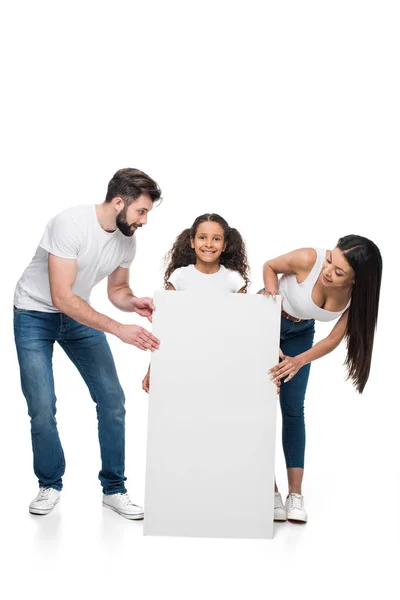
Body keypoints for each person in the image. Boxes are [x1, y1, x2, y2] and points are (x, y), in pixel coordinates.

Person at [14, 168, 162, 519]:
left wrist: (134, 302)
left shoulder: (127, 239)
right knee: (42, 405)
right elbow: (61, 297)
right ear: (119, 201)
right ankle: (49, 484)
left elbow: (117, 290)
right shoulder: (70, 224)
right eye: (141, 211)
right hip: (35, 313)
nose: (144, 221)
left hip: (78, 316)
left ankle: (114, 489)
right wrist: (118, 328)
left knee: (112, 400)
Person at [260, 236, 382, 523]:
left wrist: (299, 360)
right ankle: (269, 492)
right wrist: (272, 299)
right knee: (259, 406)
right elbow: (270, 266)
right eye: (331, 260)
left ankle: (295, 495)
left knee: (293, 410)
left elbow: (334, 338)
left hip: (301, 335)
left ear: (357, 281)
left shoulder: (357, 299)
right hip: (267, 318)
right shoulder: (308, 259)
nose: (328, 271)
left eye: (339, 272)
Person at [142, 213, 250, 392]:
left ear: (224, 245)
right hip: (185, 358)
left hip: (223, 360)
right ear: (192, 242)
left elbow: (243, 327)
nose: (208, 244)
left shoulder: (234, 280)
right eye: (202, 237)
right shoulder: (180, 277)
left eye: (216, 239)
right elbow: (166, 327)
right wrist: (153, 367)